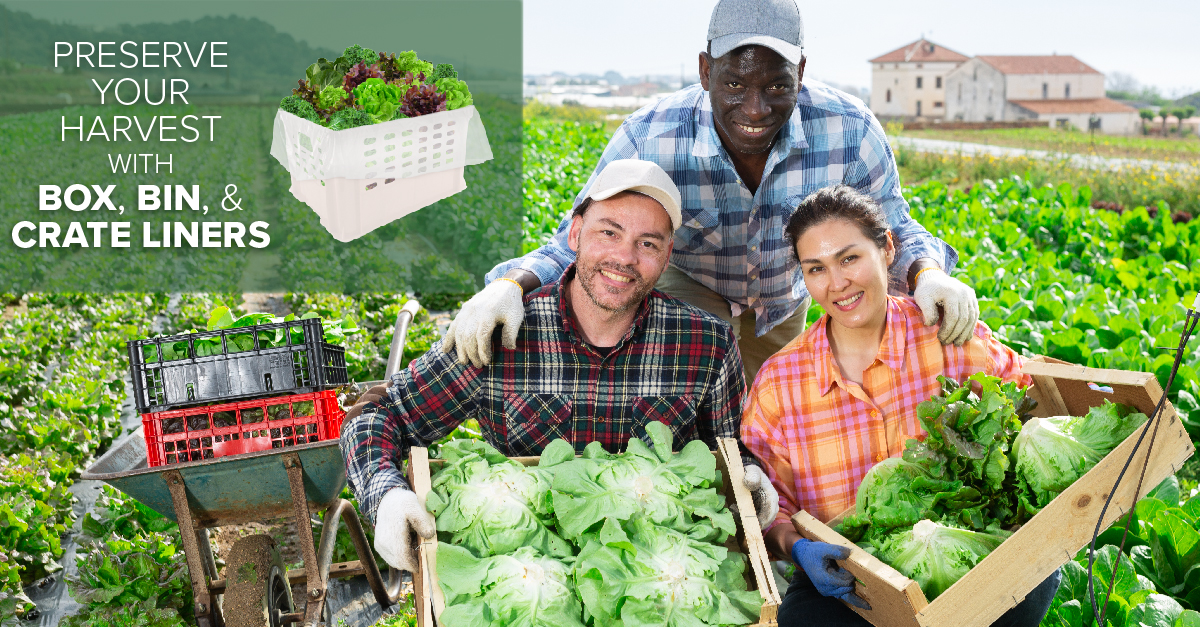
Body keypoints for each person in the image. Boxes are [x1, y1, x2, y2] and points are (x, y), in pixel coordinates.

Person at [445, 0, 978, 386]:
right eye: (734, 84)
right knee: (688, 404)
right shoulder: (650, 135)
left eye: (776, 86)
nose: (755, 109)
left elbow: (892, 228)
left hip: (781, 297)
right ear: (705, 71)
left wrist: (929, 275)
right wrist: (510, 285)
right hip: (691, 283)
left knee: (768, 408)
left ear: (801, 72)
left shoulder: (850, 130)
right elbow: (583, 237)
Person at [340, 160, 779, 573]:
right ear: (575, 234)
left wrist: (750, 476)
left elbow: (728, 449)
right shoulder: (504, 335)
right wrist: (387, 495)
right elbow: (379, 414)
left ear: (666, 258)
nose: (625, 257)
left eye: (647, 243)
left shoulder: (706, 344)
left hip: (652, 572)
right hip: (524, 569)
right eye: (609, 232)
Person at [740, 185, 1059, 627]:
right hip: (852, 580)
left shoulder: (947, 338)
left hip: (968, 552)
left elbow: (1028, 401)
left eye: (849, 258)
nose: (837, 283)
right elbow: (771, 510)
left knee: (1038, 574)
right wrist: (797, 547)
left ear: (888, 249)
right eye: (816, 269)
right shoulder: (780, 383)